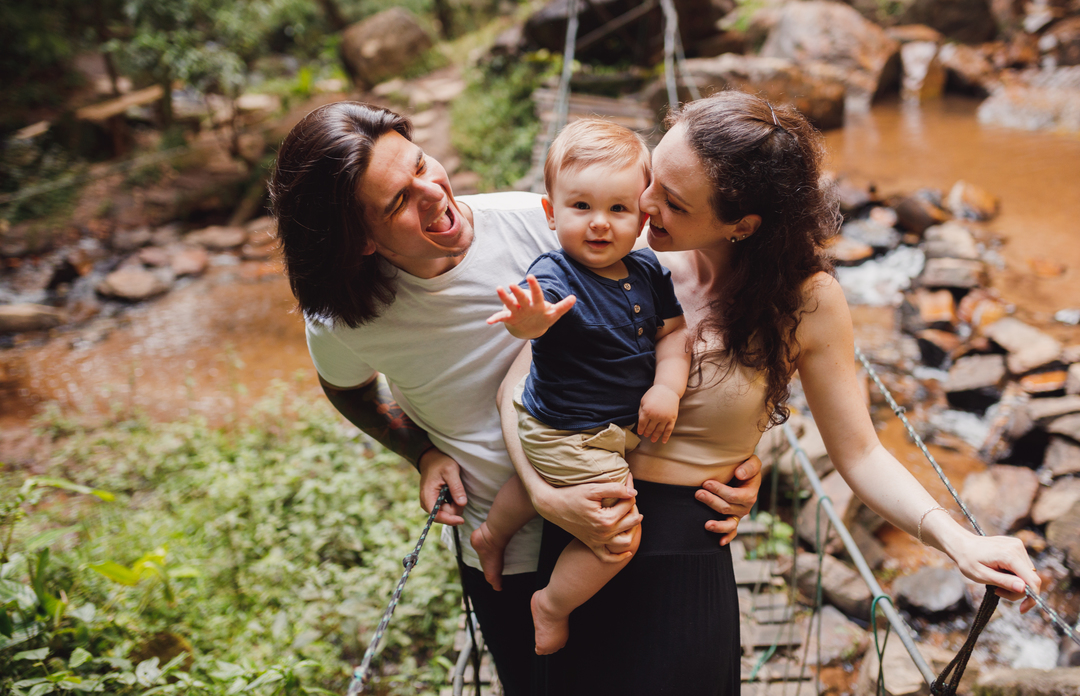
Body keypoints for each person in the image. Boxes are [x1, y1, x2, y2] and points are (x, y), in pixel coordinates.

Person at [495, 91, 1042, 696]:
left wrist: (958, 540)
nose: (643, 206)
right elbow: (520, 383)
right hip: (579, 534)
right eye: (653, 178)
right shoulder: (620, 248)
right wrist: (545, 494)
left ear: (742, 225)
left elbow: (859, 452)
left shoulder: (807, 302)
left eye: (671, 200)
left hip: (681, 568)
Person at [268, 101, 763, 696]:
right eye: (399, 201)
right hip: (502, 553)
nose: (434, 194)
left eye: (423, 164)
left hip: (610, 519)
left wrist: (733, 454)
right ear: (361, 241)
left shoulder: (542, 222)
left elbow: (671, 331)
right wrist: (419, 452)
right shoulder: (343, 317)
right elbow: (346, 390)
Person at [470, 119, 690, 655]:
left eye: (618, 209)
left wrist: (667, 388)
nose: (599, 224)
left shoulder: (648, 270)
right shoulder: (556, 273)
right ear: (550, 213)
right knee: (618, 536)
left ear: (643, 215)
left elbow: (674, 334)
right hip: (569, 432)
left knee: (537, 481)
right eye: (580, 207)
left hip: (592, 427)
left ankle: (492, 534)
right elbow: (537, 314)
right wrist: (529, 322)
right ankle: (552, 604)